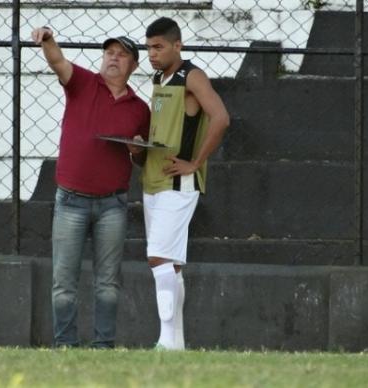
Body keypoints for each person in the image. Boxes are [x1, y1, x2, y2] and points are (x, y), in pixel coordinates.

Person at [31, 26, 150, 349]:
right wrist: (48, 39)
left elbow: (140, 159)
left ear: (133, 67)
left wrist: (138, 150)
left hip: (113, 204)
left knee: (108, 284)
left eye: (122, 54)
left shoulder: (140, 109)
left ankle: (103, 347)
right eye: (110, 52)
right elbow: (58, 62)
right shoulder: (82, 83)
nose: (114, 58)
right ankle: (66, 345)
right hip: (70, 201)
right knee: (64, 283)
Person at [138, 17, 230, 350]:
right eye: (149, 47)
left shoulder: (192, 75)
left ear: (178, 45)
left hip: (178, 184)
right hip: (153, 180)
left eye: (159, 46)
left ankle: (164, 343)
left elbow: (221, 118)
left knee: (158, 259)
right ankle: (176, 342)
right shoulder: (158, 77)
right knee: (172, 265)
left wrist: (195, 162)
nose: (152, 53)